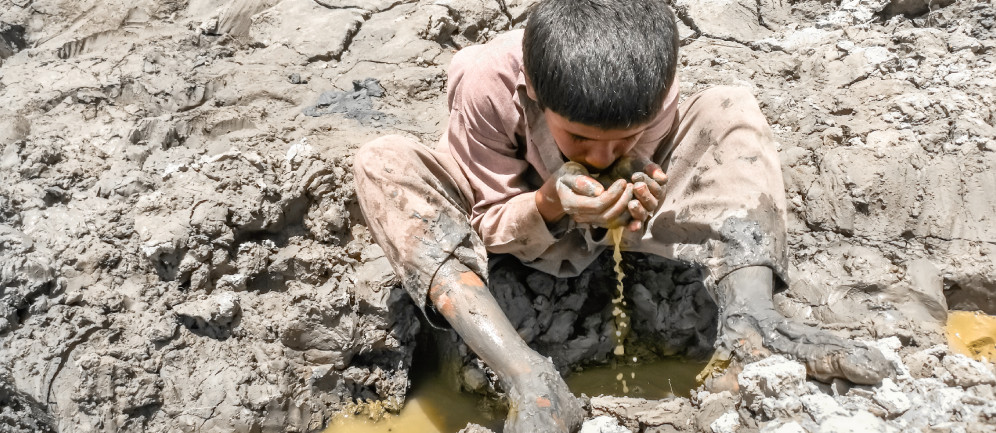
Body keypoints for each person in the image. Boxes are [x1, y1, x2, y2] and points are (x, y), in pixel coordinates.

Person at [353, 0, 893, 431]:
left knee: (731, 106)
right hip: (519, 237)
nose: (601, 155)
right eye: (581, 138)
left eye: (624, 138)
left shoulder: (652, 81)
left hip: (628, 233)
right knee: (382, 162)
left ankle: (752, 322)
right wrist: (549, 201)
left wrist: (637, 180)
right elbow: (489, 216)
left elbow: (646, 159)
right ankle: (525, 375)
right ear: (537, 96)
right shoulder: (485, 83)